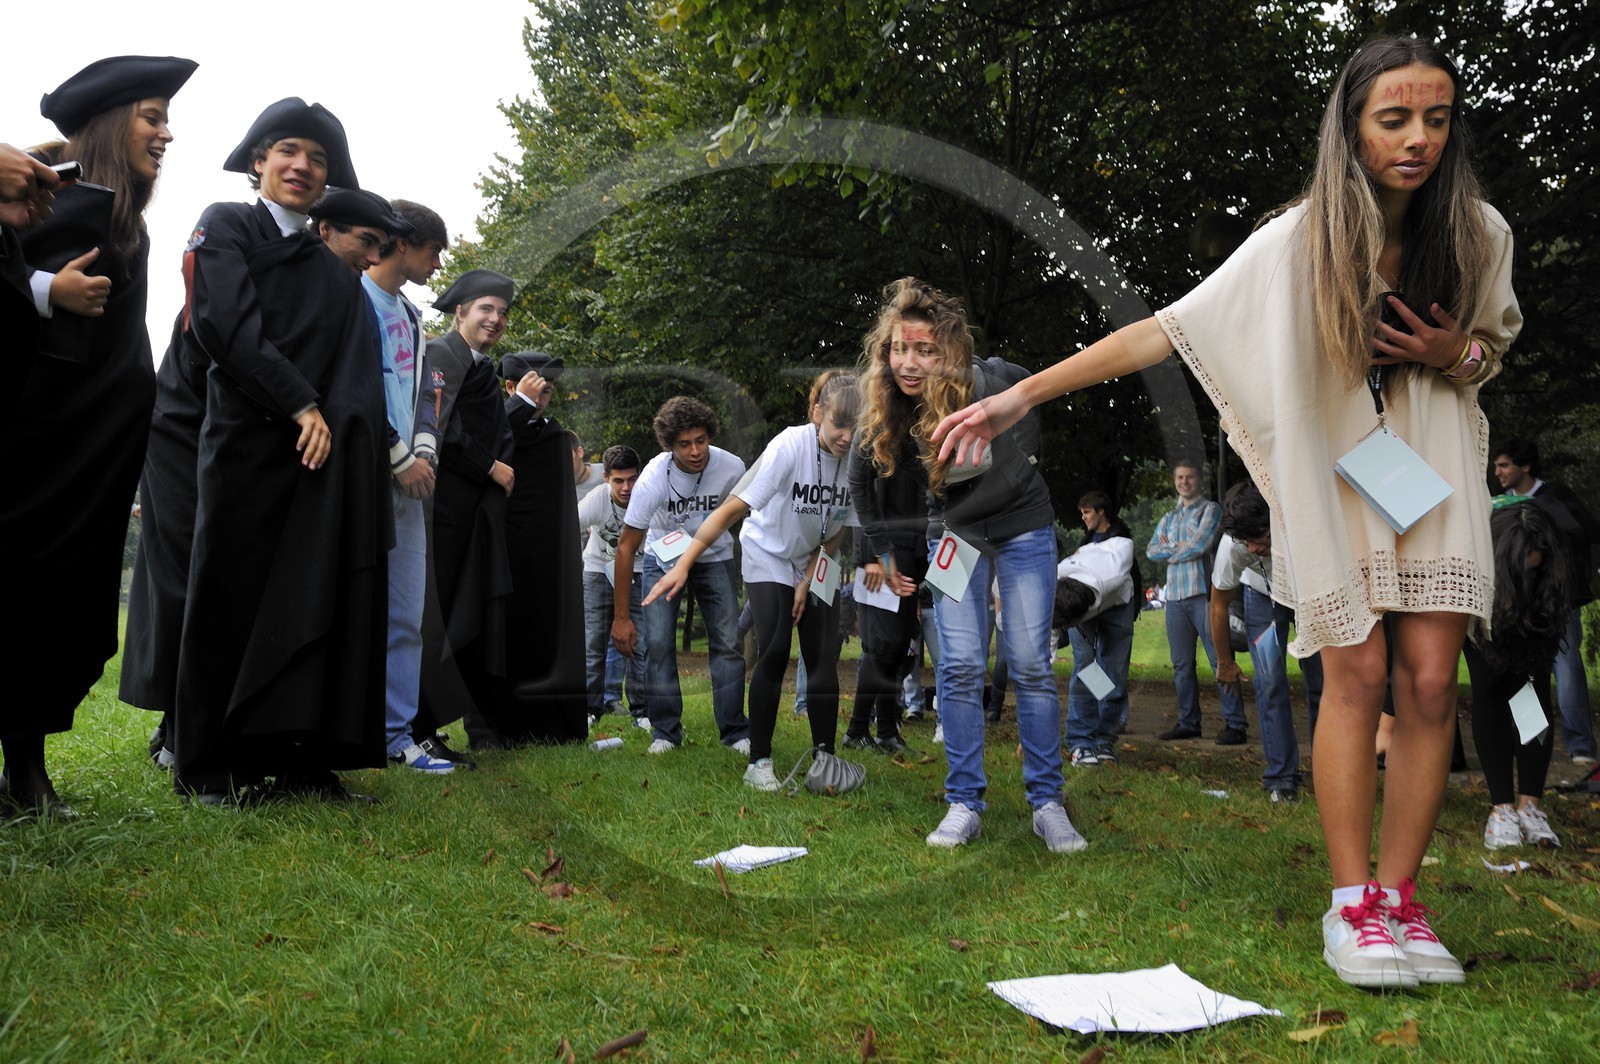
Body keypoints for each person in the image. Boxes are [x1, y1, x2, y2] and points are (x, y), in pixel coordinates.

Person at [934, 38, 1521, 988]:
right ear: (1351, 127)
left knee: (1427, 685)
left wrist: (1456, 352)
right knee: (1359, 671)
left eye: (1437, 119)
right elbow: (1163, 329)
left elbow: (1491, 354)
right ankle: (1354, 908)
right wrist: (1021, 396)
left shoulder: (1480, 233)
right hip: (1342, 475)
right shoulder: (1297, 240)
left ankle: (1406, 904)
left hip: (1434, 468)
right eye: (1395, 119)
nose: (1419, 139)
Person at [148, 98, 392, 803]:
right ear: (258, 161)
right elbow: (224, 324)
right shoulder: (226, 226)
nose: (302, 166)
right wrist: (300, 402)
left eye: (317, 159)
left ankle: (298, 757)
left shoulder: (332, 272)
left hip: (319, 465)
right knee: (227, 603)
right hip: (242, 450)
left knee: (308, 603)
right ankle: (208, 767)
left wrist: (344, 431)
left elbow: (354, 369)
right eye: (288, 150)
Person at [2, 56, 195, 815]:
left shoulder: (121, 219)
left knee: (57, 612)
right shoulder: (63, 207)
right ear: (115, 124)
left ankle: (25, 775)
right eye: (152, 117)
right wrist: (46, 292)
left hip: (93, 459)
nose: (166, 133)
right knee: (23, 604)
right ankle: (23, 777)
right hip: (40, 457)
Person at [853, 277, 1083, 853]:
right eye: (899, 349)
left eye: (924, 350)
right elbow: (871, 478)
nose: (909, 363)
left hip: (1023, 527)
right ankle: (964, 803)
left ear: (948, 352)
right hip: (955, 536)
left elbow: (1033, 406)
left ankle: (1048, 804)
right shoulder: (891, 410)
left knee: (1029, 662)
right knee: (957, 666)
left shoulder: (990, 378)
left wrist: (1021, 460)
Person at [646, 374, 864, 793]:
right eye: (839, 424)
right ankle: (758, 761)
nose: (847, 436)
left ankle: (825, 757)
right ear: (818, 414)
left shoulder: (860, 455)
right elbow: (731, 509)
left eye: (856, 427)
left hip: (819, 559)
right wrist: (684, 562)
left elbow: (839, 529)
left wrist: (809, 577)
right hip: (768, 553)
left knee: (823, 655)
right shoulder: (788, 445)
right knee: (777, 647)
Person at [355, 195, 463, 773]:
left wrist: (421, 451)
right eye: (433, 250)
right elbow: (351, 390)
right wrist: (395, 455)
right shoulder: (352, 298)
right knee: (353, 610)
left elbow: (425, 394)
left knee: (406, 614)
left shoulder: (414, 316)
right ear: (401, 243)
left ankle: (398, 736)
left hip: (411, 483)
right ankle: (348, 731)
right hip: (360, 476)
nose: (437, 264)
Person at [611, 397, 750, 754]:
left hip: (713, 555)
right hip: (664, 558)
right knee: (657, 645)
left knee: (728, 643)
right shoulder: (653, 480)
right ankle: (665, 733)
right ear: (669, 445)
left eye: (701, 440)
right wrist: (621, 617)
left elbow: (751, 514)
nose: (695, 451)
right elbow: (626, 548)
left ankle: (735, 731)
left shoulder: (732, 467)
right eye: (684, 444)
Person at [419, 270, 516, 750]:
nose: (495, 319)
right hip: (440, 511)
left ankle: (473, 725)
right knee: (430, 620)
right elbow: (440, 427)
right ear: (459, 312)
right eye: (485, 309)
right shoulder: (441, 354)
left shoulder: (480, 367)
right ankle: (418, 729)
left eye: (501, 312)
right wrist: (491, 467)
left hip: (471, 515)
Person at [495, 351, 589, 743]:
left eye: (547, 392)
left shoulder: (554, 440)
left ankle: (555, 726)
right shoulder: (497, 429)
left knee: (551, 632)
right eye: (534, 392)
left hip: (549, 561)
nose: (542, 400)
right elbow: (489, 444)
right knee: (508, 636)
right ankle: (506, 726)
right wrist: (520, 408)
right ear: (511, 389)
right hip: (506, 556)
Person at [1470, 497, 1573, 849]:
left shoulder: (1549, 574)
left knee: (1533, 694)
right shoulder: (1480, 563)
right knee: (1491, 691)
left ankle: (1531, 806)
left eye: (1535, 566)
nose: (1529, 572)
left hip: (1534, 623)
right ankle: (1501, 808)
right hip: (1485, 616)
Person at [1492, 436, 1599, 766]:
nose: (1498, 471)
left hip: (1555, 601)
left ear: (1525, 466)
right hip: (1514, 604)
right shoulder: (1496, 503)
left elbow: (1587, 531)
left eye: (1505, 464)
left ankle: (1580, 746)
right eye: (1496, 465)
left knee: (1565, 669)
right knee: (1517, 673)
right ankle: (1525, 745)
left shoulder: (1556, 497)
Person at [1209, 481, 1303, 802]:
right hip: (1265, 602)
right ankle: (1281, 779)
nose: (1251, 548)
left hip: (1309, 598)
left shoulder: (1301, 522)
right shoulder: (1233, 546)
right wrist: (1225, 662)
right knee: (1270, 680)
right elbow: (1219, 606)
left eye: (1258, 537)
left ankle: (1333, 769)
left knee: (1323, 680)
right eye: (1244, 541)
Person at [1148, 460, 1249, 745]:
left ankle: (1236, 724)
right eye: (1179, 477)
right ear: (1175, 481)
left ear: (1198, 481)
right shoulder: (1168, 517)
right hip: (1175, 599)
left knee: (1221, 659)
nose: (1184, 482)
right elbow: (1151, 550)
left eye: (1189, 477)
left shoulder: (1211, 510)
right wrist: (1176, 548)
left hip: (1205, 596)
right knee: (1181, 665)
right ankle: (1188, 722)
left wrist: (1171, 548)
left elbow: (1200, 545)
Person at [1061, 491, 1141, 761]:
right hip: (1079, 605)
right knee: (1086, 667)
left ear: (1101, 511)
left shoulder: (1121, 545)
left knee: (1112, 671)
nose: (1083, 518)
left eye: (1087, 512)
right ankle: (1081, 740)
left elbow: (1122, 578)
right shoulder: (1075, 560)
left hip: (1115, 604)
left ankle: (1105, 737)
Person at [578, 445, 649, 727]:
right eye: (618, 480)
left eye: (632, 479)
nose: (626, 487)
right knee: (593, 643)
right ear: (606, 477)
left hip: (640, 570)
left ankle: (642, 711)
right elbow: (565, 530)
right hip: (598, 568)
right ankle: (589, 710)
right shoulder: (595, 501)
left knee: (640, 642)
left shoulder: (649, 500)